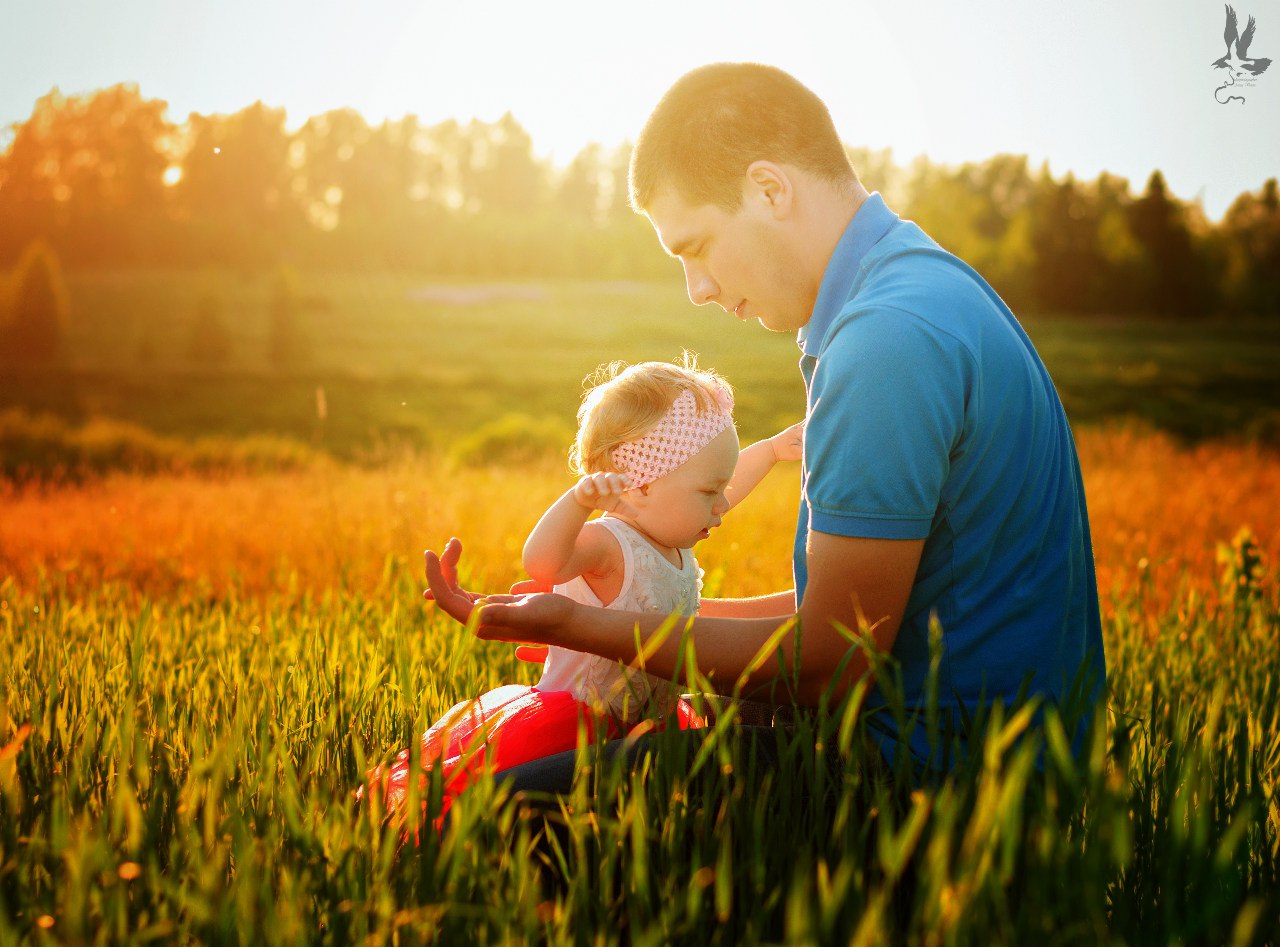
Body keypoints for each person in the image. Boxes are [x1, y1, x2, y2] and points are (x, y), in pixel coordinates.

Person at [425, 62, 1107, 784]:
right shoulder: (924, 286)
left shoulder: (885, 340)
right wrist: (626, 605)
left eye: (696, 247)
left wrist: (582, 628)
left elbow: (827, 665)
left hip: (937, 779)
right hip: (1004, 754)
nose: (698, 289)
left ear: (770, 190)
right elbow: (858, 613)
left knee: (497, 800)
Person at [364, 355, 802, 818]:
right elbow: (543, 563)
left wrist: (772, 450)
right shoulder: (610, 543)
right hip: (576, 721)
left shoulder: (675, 530)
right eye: (709, 492)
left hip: (644, 720)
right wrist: (577, 503)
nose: (721, 505)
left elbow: (729, 490)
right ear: (638, 487)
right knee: (528, 809)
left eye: (720, 490)